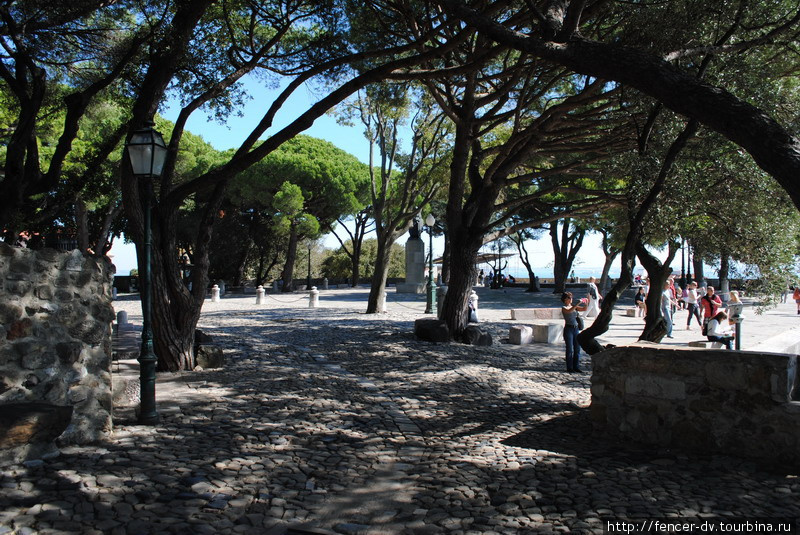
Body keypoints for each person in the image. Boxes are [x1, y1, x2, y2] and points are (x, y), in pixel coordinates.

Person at [561, 292, 588, 373]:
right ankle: (569, 367)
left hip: (576, 329)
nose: (571, 299)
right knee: (569, 349)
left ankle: (576, 366)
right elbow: (569, 311)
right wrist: (577, 303)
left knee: (577, 348)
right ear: (566, 299)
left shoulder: (574, 307)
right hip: (568, 329)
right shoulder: (564, 307)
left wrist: (586, 302)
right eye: (570, 298)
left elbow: (584, 309)